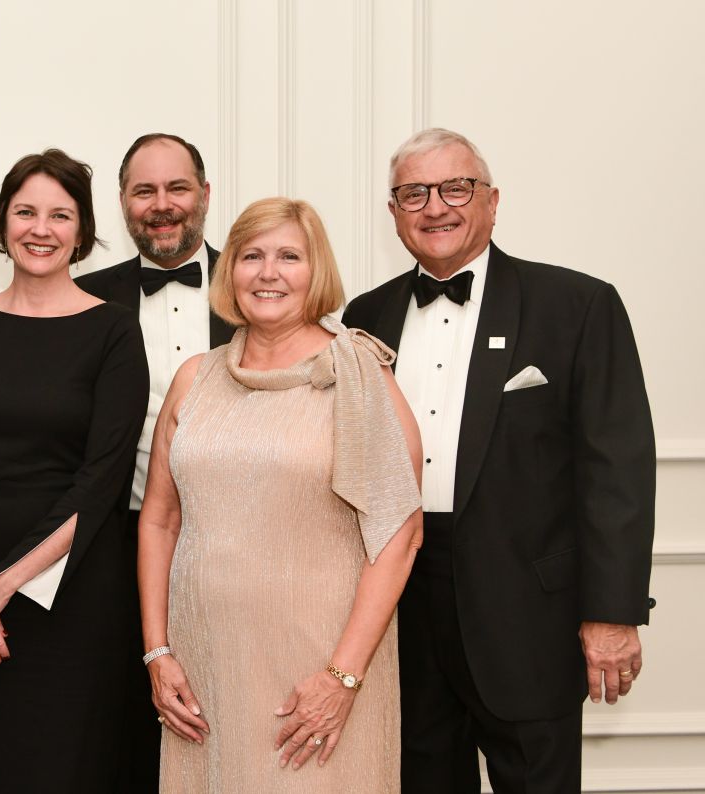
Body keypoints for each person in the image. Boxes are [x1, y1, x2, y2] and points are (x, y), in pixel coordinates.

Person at [342, 128, 656, 792]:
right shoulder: (364, 317)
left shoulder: (576, 305)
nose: (435, 207)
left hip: (529, 614)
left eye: (456, 188)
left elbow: (617, 470)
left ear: (492, 200)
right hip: (400, 606)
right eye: (413, 193)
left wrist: (612, 612)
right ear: (393, 213)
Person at [139, 197, 423, 792]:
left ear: (316, 271)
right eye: (252, 256)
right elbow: (160, 520)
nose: (268, 273)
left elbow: (400, 536)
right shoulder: (195, 378)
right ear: (230, 270)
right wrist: (157, 652)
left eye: (289, 256)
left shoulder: (358, 373)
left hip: (318, 669)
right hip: (205, 668)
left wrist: (342, 678)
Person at [0, 149, 149, 792]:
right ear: (2, 221)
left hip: (69, 596)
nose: (41, 229)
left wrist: (3, 586)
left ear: (83, 230)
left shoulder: (114, 332)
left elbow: (101, 483)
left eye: (60, 215)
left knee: (59, 767)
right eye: (25, 212)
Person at [74, 133, 231, 790]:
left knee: (228, 723)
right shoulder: (81, 300)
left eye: (177, 188)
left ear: (205, 195)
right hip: (111, 546)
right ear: (122, 202)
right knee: (119, 733)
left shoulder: (259, 286)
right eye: (144, 191)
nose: (162, 205)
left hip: (232, 546)